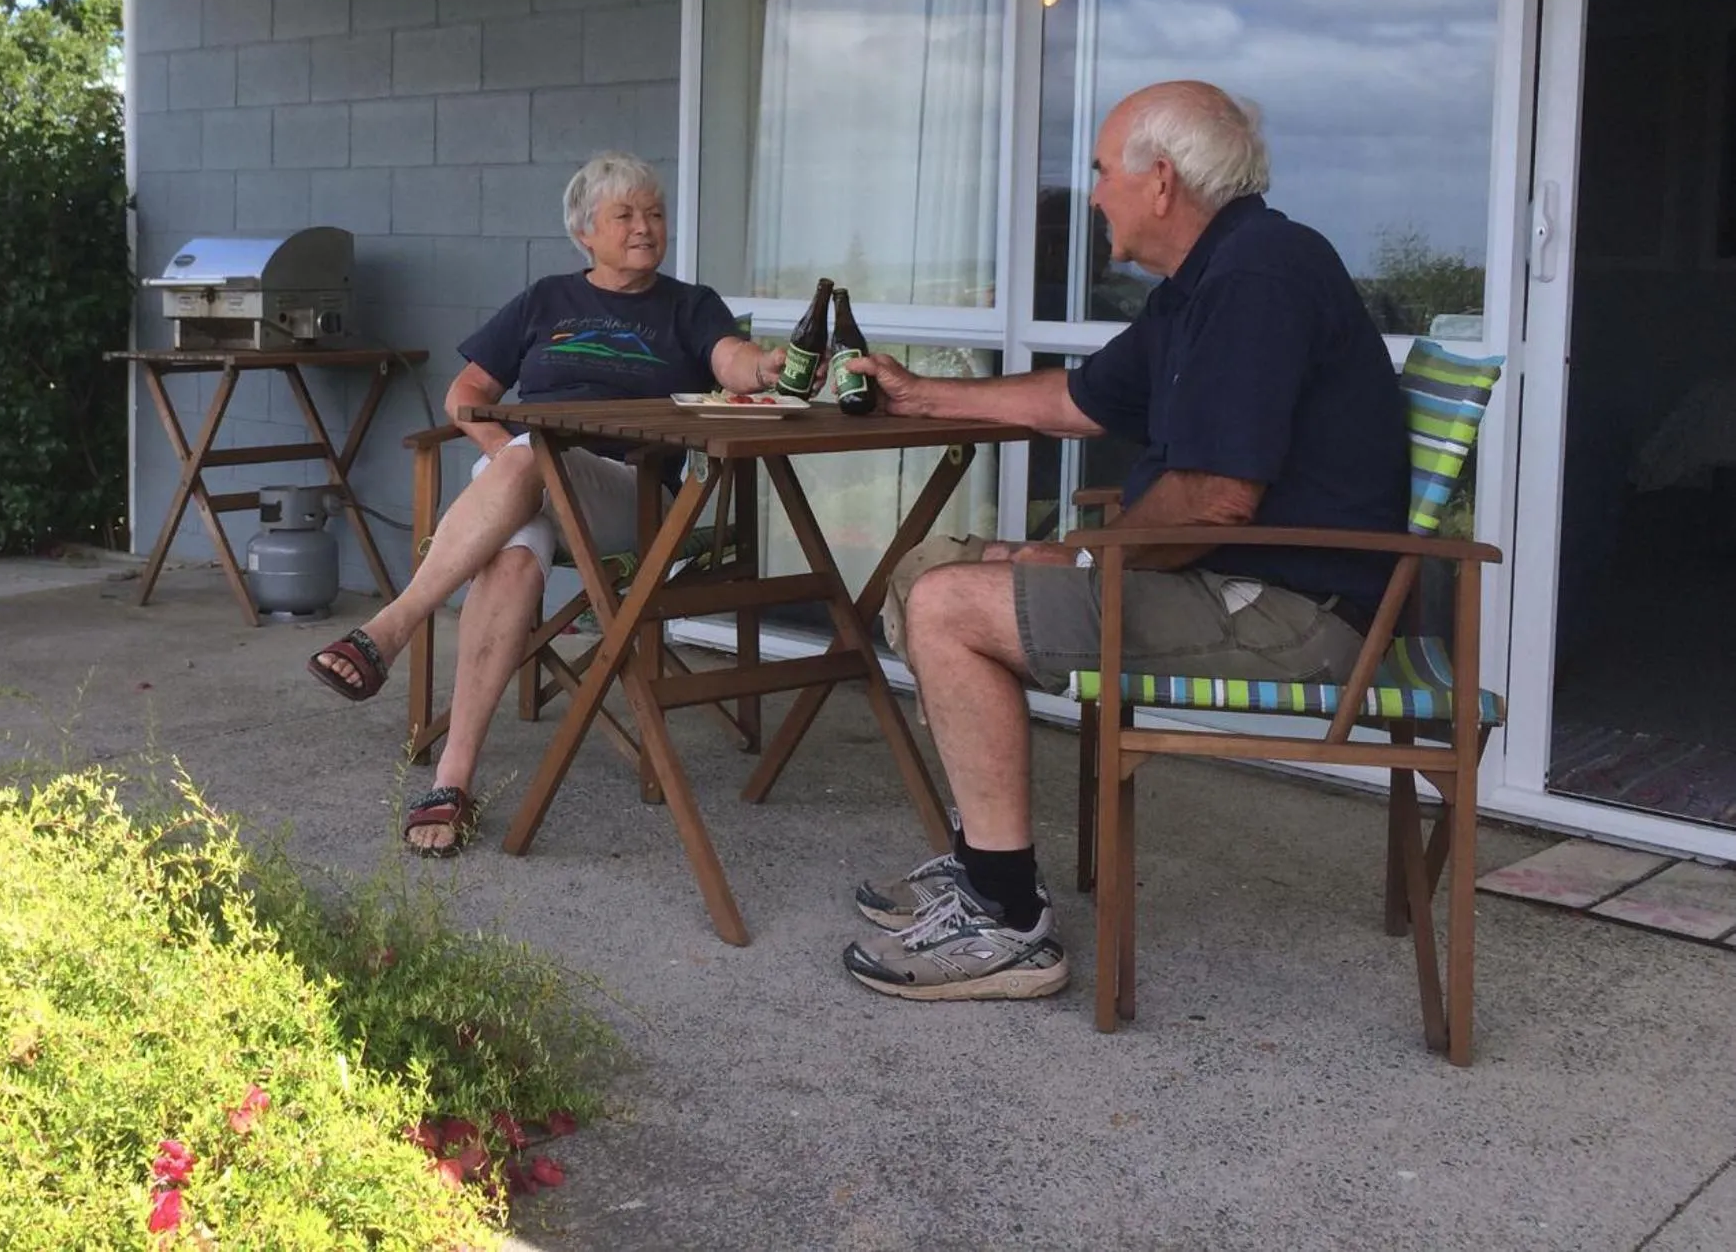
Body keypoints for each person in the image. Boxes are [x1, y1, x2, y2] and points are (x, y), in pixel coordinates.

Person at [840, 80, 1409, 1001]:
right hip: (1225, 581)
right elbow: (1078, 399)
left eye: (1102, 170)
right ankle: (984, 859)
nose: (1093, 191)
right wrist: (923, 395)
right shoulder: (1201, 285)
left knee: (950, 607)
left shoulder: (1262, 273)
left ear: (1160, 181)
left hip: (1293, 612)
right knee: (925, 567)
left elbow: (1217, 499)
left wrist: (1078, 555)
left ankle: (1006, 923)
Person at [306, 152, 789, 855]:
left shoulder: (689, 305)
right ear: (584, 233)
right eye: (624, 215)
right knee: (511, 554)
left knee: (530, 454)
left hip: (629, 496)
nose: (645, 227)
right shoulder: (545, 301)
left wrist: (763, 368)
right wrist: (508, 454)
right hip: (529, 481)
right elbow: (465, 397)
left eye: (653, 213)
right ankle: (453, 780)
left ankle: (396, 621)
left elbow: (730, 361)